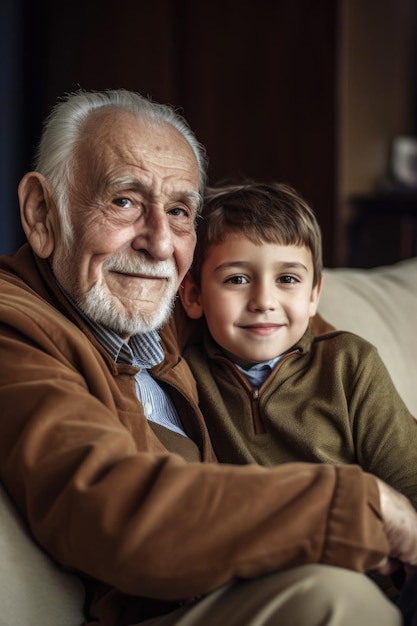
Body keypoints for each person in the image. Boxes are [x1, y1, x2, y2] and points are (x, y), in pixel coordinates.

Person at [0, 89, 416, 626]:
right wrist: (355, 507)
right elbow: (108, 510)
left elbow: (292, 332)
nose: (157, 243)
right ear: (41, 212)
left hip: (246, 578)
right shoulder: (16, 327)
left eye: (178, 212)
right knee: (334, 598)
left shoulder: (170, 305)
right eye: (124, 201)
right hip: (164, 608)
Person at [179, 182, 417, 511]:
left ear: (313, 296)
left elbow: (408, 479)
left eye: (287, 279)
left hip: (357, 536)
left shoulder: (350, 363)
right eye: (237, 279)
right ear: (194, 296)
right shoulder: (184, 374)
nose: (263, 302)